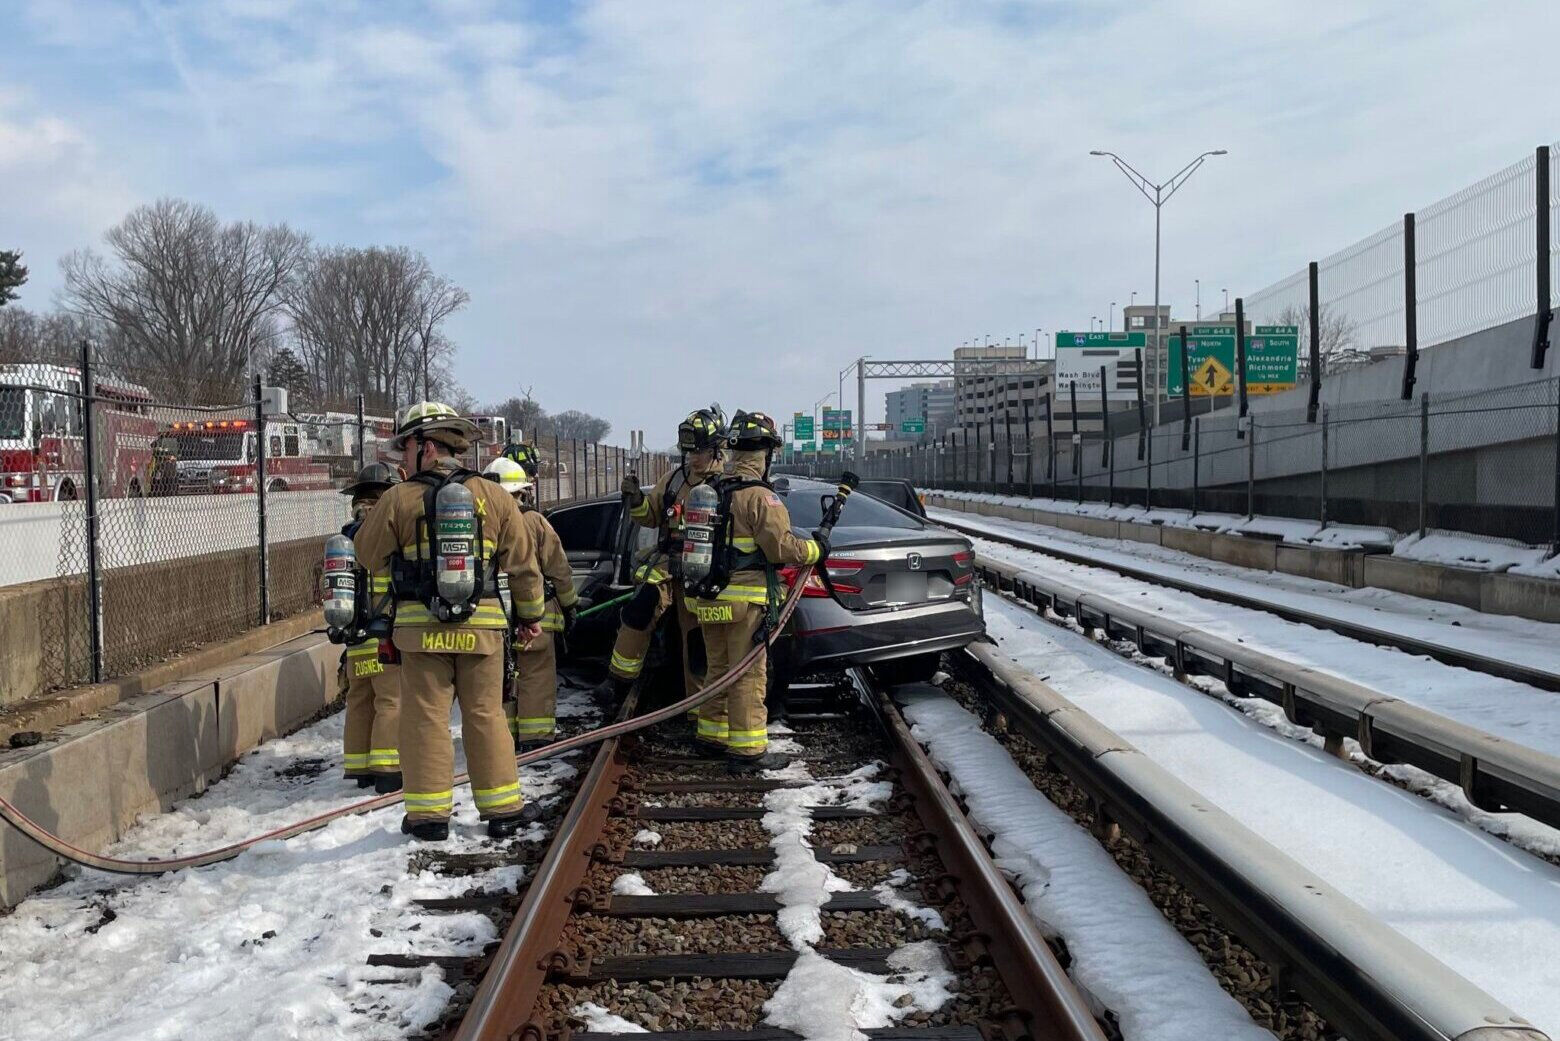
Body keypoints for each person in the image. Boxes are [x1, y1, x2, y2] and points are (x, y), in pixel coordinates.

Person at [356, 402, 547, 842]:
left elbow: (366, 555)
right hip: (482, 629)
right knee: (486, 715)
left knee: (426, 718)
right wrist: (531, 615)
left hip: (419, 632)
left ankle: (428, 818)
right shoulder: (495, 495)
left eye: (405, 449)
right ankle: (503, 810)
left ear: (426, 448)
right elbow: (523, 565)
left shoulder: (398, 498)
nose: (402, 458)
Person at [689, 410, 824, 774]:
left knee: (717, 669)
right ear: (765, 454)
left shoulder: (711, 490)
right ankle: (747, 751)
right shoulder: (761, 498)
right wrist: (815, 550)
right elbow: (780, 549)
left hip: (708, 600)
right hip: (745, 603)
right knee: (747, 674)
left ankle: (711, 737)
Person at [596, 408, 726, 730]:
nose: (693, 458)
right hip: (669, 564)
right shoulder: (673, 480)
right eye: (689, 451)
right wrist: (636, 499)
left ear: (716, 449)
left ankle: (698, 716)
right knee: (640, 607)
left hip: (704, 572)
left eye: (700, 451)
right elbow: (651, 516)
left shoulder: (727, 485)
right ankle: (617, 681)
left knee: (697, 643)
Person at [482, 457, 578, 749]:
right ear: (522, 492)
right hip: (536, 616)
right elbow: (558, 568)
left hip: (494, 617)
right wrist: (570, 603)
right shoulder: (534, 521)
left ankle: (504, 739)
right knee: (536, 674)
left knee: (503, 678)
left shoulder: (480, 524)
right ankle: (536, 739)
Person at [338, 462, 405, 793]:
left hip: (353, 638)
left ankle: (358, 767)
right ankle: (387, 769)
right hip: (385, 636)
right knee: (391, 701)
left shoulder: (344, 538)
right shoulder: (387, 538)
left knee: (359, 700)